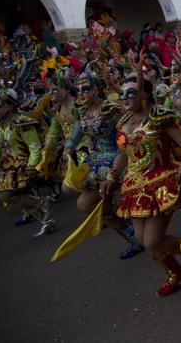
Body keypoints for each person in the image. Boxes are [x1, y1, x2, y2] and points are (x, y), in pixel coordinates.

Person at [100, 72, 181, 297]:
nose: (124, 97)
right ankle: (176, 272)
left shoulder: (159, 116)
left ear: (144, 94)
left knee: (151, 241)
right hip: (135, 186)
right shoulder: (122, 123)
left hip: (162, 181)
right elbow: (123, 154)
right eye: (121, 94)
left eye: (130, 92)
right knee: (142, 239)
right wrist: (111, 177)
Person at [64, 67, 143, 259]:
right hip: (95, 165)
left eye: (86, 89)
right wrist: (67, 150)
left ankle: (141, 232)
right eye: (78, 90)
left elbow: (130, 121)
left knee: (122, 201)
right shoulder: (82, 114)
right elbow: (75, 137)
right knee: (87, 205)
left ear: (96, 90)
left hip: (119, 159)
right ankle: (131, 234)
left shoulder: (111, 108)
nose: (81, 93)